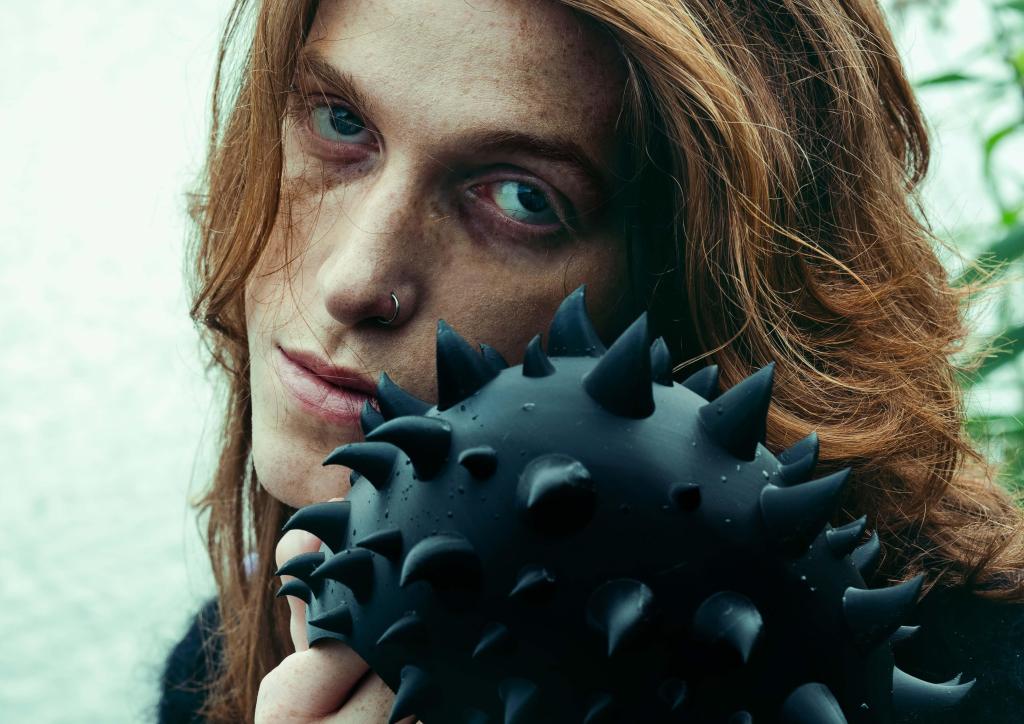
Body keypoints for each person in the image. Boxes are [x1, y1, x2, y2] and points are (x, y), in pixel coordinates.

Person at [157, 0, 1024, 722]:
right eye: (340, 122)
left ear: (703, 291)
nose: (353, 281)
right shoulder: (219, 665)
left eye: (522, 197)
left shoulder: (992, 674)